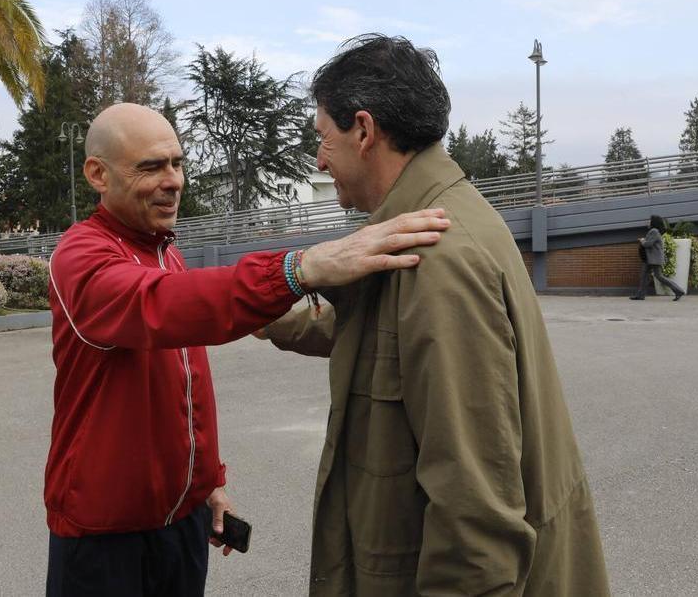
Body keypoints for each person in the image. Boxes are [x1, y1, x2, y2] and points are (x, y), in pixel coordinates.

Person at [44, 102, 451, 596]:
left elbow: (186, 384)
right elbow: (160, 307)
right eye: (151, 166)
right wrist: (298, 269)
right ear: (97, 174)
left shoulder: (165, 252)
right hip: (104, 534)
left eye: (177, 163)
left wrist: (208, 484)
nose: (173, 180)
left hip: (183, 523)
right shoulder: (79, 255)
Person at [257, 35, 610, 596]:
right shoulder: (420, 222)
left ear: (365, 131)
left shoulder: (438, 255)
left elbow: (477, 523)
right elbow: (377, 336)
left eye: (323, 139)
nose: (319, 159)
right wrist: (258, 307)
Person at [631, 214, 685, 301]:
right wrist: (644, 240)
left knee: (659, 276)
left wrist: (642, 240)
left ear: (653, 222)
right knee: (644, 276)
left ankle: (679, 291)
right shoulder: (654, 231)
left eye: (649, 220)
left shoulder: (654, 231)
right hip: (649, 259)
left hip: (654, 259)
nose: (648, 221)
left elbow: (648, 244)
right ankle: (640, 295)